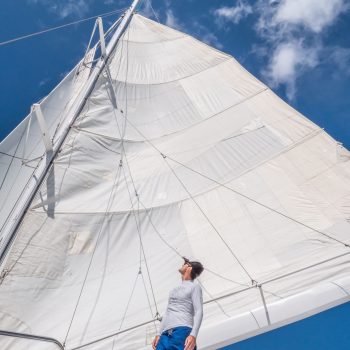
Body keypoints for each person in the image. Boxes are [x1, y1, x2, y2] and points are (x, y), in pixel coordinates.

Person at [152, 257, 204, 350]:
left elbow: (199, 310)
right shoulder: (173, 290)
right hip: (165, 334)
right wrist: (158, 334)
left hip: (182, 331)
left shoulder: (194, 286)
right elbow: (167, 312)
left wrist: (193, 335)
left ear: (189, 268)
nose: (182, 265)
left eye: (184, 264)